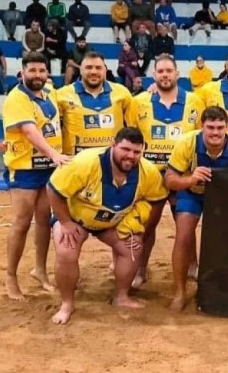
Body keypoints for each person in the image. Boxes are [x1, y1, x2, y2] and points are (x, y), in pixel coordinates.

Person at [47, 127, 168, 324]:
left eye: (136, 152)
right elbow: (53, 190)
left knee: (132, 248)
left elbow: (158, 199)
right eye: (125, 149)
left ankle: (121, 296)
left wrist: (143, 228)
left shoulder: (148, 172)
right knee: (66, 251)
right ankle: (66, 304)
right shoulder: (85, 162)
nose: (130, 156)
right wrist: (65, 222)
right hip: (76, 218)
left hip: (113, 222)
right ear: (113, 145)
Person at [126, 55, 204, 287]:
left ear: (177, 74)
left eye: (169, 71)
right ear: (154, 75)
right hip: (150, 176)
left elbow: (200, 137)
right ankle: (140, 269)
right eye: (160, 71)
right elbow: (131, 137)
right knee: (147, 225)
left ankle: (193, 265)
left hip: (182, 175)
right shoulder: (139, 102)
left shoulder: (195, 101)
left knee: (185, 224)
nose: (165, 75)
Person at [165, 107, 228, 310]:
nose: (215, 132)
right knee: (183, 236)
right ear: (201, 126)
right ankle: (180, 292)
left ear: (227, 127)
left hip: (223, 197)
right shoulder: (187, 143)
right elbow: (169, 180)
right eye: (210, 127)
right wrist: (190, 179)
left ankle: (225, 287)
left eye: (220, 127)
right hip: (192, 193)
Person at [1, 52, 69, 301]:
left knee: (43, 219)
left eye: (41, 70)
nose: (37, 75)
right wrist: (54, 154)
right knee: (21, 222)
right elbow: (30, 131)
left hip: (47, 169)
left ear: (47, 73)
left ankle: (39, 270)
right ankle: (10, 277)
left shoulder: (50, 92)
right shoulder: (16, 98)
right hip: (25, 168)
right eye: (32, 70)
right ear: (22, 73)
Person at [56, 51, 132, 155]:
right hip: (76, 161)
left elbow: (135, 123)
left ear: (105, 70)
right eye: (88, 67)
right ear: (81, 70)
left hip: (111, 161)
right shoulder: (61, 94)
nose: (93, 72)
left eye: (98, 68)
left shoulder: (122, 92)